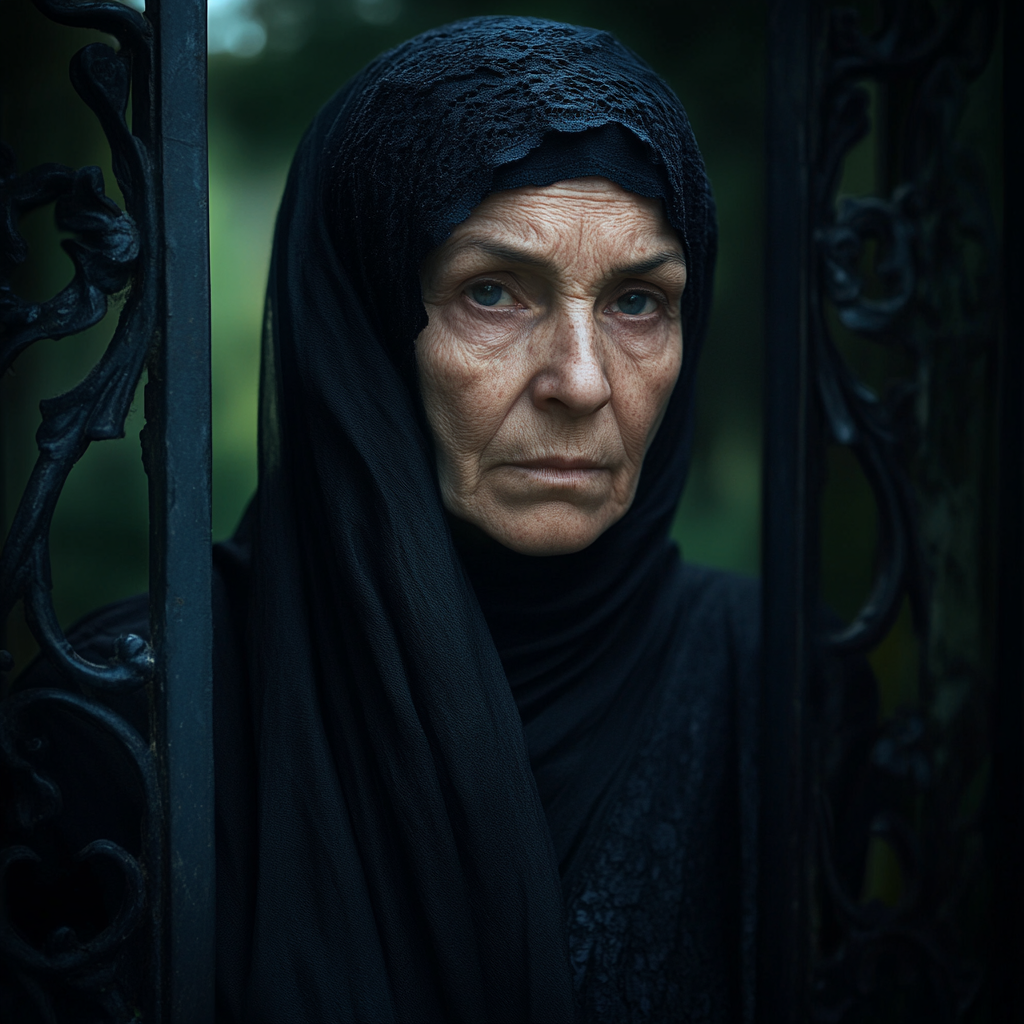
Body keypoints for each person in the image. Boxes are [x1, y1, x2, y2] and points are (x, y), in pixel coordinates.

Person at [15, 16, 761, 1022]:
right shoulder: (128, 721)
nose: (583, 382)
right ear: (362, 328)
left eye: (637, 301)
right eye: (493, 292)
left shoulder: (771, 684)